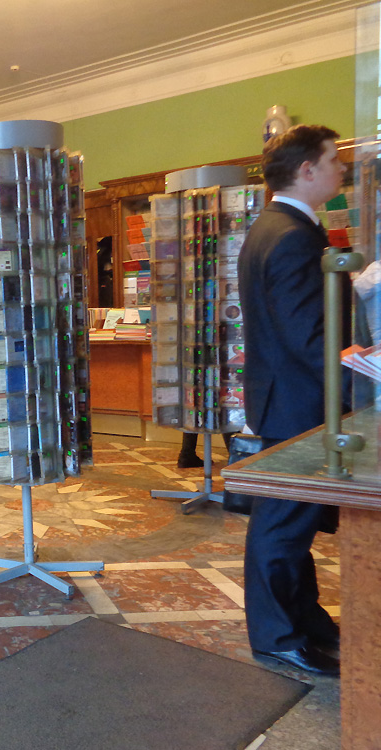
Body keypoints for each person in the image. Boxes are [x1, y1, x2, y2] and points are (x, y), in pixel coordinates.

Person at [237, 124, 346, 677]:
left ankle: (304, 618)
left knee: (292, 523)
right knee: (282, 525)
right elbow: (309, 335)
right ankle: (277, 635)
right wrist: (358, 378)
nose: (341, 168)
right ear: (307, 170)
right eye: (333, 160)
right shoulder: (292, 235)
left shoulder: (274, 226)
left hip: (287, 398)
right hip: (299, 402)